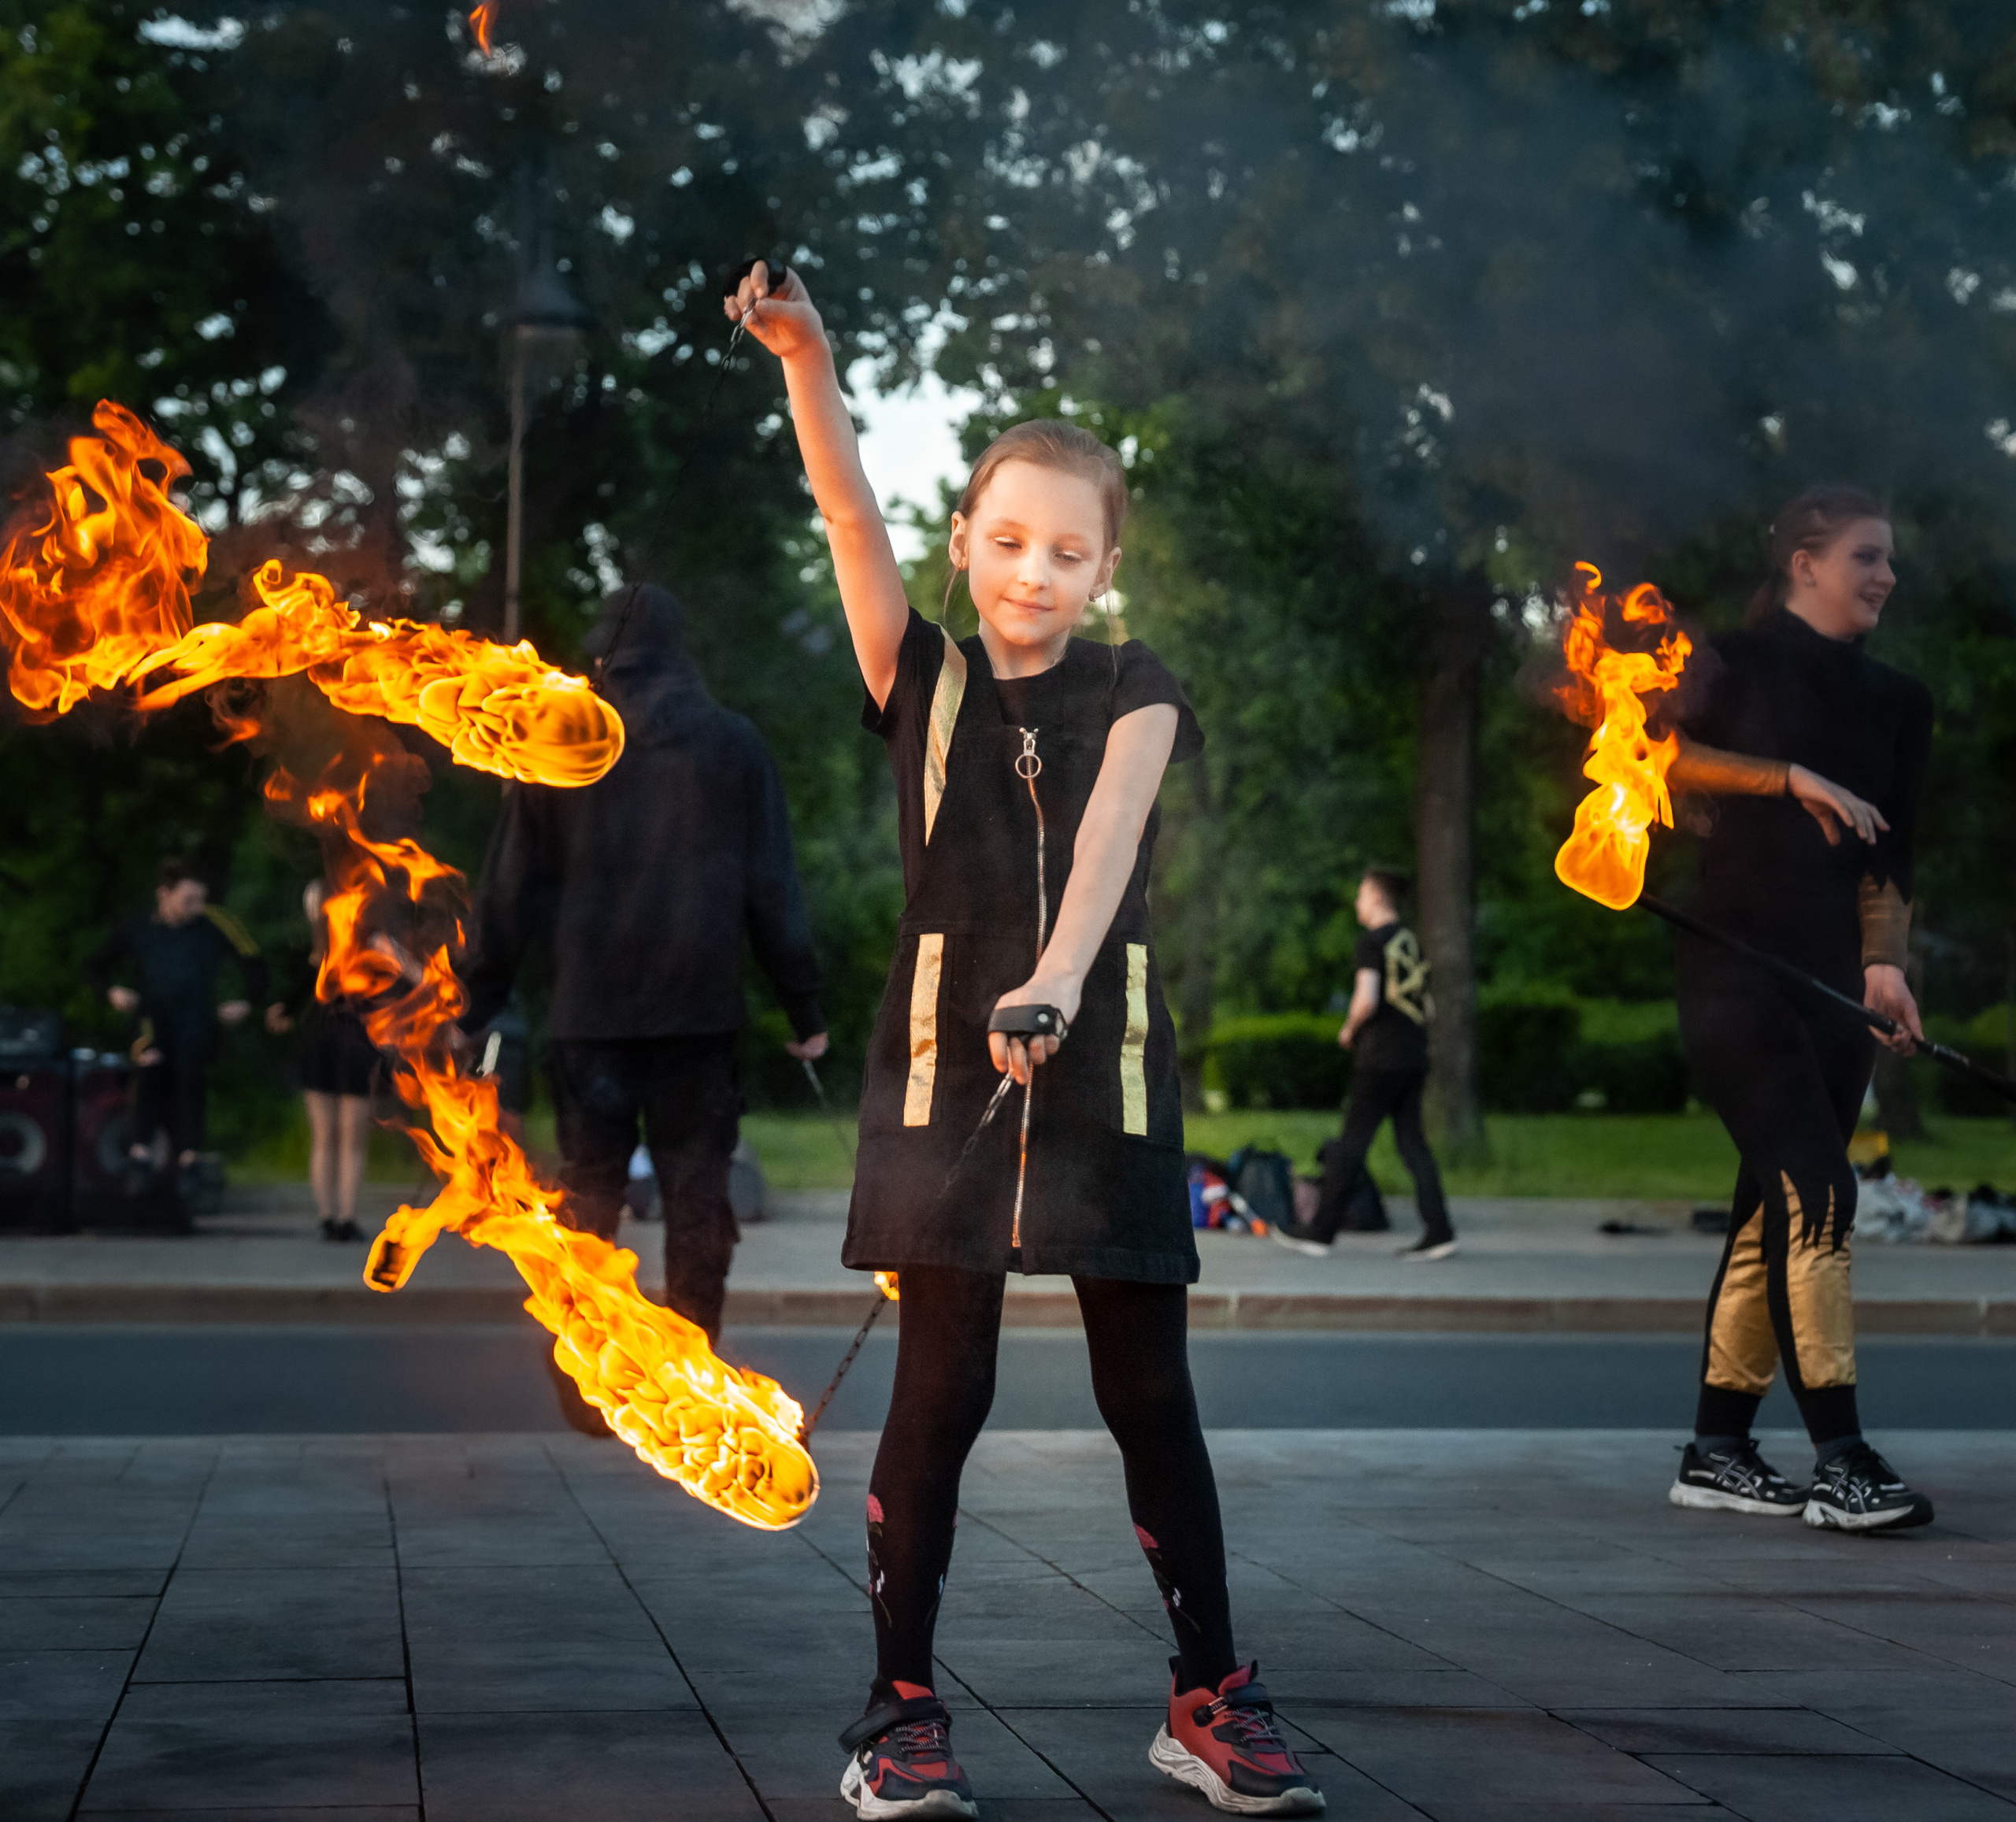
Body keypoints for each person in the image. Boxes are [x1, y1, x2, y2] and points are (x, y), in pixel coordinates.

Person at [728, 261, 1323, 1820]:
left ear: (1105, 563)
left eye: (1067, 549)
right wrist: (812, 358)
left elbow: (1114, 836)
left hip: (1102, 1053)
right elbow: (849, 515)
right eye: (1005, 541)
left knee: (1150, 1396)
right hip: (941, 1065)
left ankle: (1206, 1694)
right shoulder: (914, 676)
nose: (1031, 572)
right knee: (943, 1389)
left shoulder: (1137, 687)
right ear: (966, 545)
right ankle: (897, 1712)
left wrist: (1054, 978)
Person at [1662, 485, 1935, 1534]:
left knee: (1767, 1208)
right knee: (1820, 1191)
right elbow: (1650, 762)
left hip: (1836, 987)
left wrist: (1886, 968)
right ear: (1805, 563)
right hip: (1733, 971)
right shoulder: (1724, 662)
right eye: (1867, 556)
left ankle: (1717, 1447)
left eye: (1891, 559)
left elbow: (1894, 855)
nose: (1886, 576)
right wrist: (1787, 777)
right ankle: (1842, 1457)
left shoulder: (1901, 701)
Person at [459, 580, 828, 1354]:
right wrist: (805, 1009)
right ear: (680, 651)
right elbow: (772, 886)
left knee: (588, 1193)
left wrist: (475, 1002)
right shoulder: (732, 744)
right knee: (696, 1195)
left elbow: (508, 886)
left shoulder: (560, 745)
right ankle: (693, 1375)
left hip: (590, 1015)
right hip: (696, 1014)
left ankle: (589, 1371)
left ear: (604, 654)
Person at [1272, 868, 1455, 1261]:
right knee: (1413, 1144)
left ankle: (1320, 1233)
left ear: (1375, 895)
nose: (1357, 902)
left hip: (1380, 1057)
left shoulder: (1372, 944)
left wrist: (1350, 1030)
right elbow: (1429, 1005)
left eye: (1361, 894)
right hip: (1413, 1055)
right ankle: (1439, 1230)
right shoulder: (1411, 942)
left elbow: (1367, 998)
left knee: (1351, 1144)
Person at [86, 859, 276, 1183]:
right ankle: (141, 1154)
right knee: (149, 1063)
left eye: (200, 900)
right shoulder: (137, 928)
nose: (197, 908)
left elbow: (254, 963)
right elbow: (93, 966)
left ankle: (189, 1158)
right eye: (188, 900)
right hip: (151, 1019)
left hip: (197, 1017)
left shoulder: (214, 925)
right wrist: (112, 992)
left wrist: (247, 1002)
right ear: (165, 894)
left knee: (190, 1070)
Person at [272, 879, 402, 1244]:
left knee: (329, 1138)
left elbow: (292, 1003)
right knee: (347, 1139)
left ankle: (331, 1216)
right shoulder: (360, 945)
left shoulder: (324, 952)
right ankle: (341, 1217)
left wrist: (280, 1014)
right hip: (352, 1042)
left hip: (332, 1043)